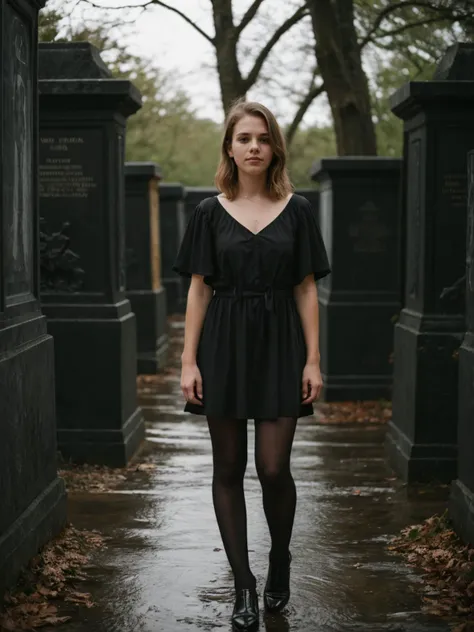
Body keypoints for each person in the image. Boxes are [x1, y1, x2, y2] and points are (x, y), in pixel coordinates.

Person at [172, 99, 331, 631]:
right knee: (226, 469)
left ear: (274, 147)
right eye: (244, 138)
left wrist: (313, 359)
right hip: (223, 342)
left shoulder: (299, 209)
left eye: (263, 138)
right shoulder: (208, 213)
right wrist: (188, 360)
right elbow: (197, 290)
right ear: (230, 147)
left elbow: (306, 288)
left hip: (282, 341)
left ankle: (279, 559)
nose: (254, 147)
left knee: (272, 468)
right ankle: (243, 583)